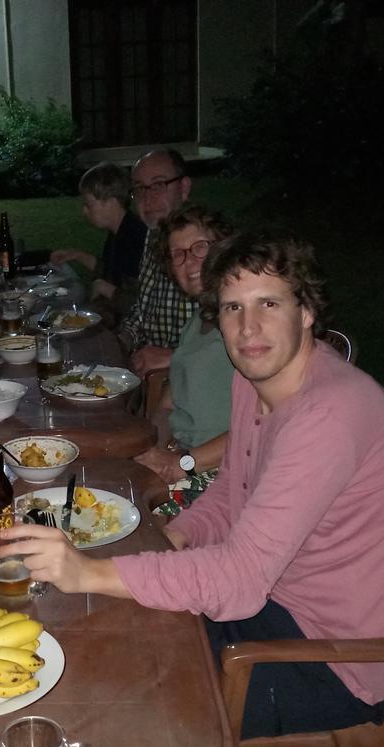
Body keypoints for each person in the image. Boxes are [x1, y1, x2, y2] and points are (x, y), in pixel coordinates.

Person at [3, 235, 384, 747]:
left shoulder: (328, 414)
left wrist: (89, 569)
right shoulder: (259, 380)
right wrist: (168, 539)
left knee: (147, 678)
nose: (249, 327)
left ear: (308, 311)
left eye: (269, 304)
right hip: (288, 604)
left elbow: (237, 583)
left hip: (342, 660)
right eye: (232, 308)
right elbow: (233, 496)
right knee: (131, 627)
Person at [132, 205, 235, 510]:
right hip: (183, 458)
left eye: (200, 247)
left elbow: (262, 427)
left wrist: (179, 463)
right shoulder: (197, 322)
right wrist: (156, 448)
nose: (189, 260)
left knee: (126, 511)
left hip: (222, 475)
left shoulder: (243, 329)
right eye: (178, 254)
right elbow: (165, 405)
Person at [115, 148, 193, 379]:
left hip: (184, 381)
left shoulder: (206, 248)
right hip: (146, 372)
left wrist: (174, 355)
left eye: (158, 185)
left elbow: (232, 337)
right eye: (139, 189)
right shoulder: (153, 236)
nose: (147, 198)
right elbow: (143, 307)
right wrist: (122, 339)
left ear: (184, 188)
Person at [49, 162, 149, 326]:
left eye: (89, 204)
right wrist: (77, 255)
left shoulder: (135, 238)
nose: (84, 211)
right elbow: (114, 270)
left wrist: (106, 289)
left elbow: (141, 305)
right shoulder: (118, 232)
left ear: (110, 202)